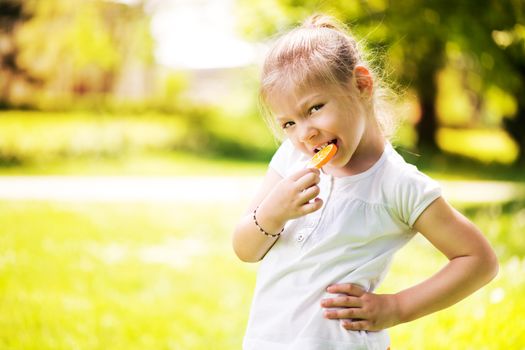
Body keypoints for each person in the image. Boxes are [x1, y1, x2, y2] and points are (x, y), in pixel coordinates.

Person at [232, 13, 498, 350]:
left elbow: (479, 260)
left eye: (314, 108)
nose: (304, 133)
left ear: (361, 85)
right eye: (288, 123)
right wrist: (272, 213)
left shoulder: (397, 184)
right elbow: (245, 249)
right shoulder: (292, 159)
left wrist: (396, 307)